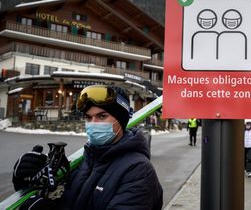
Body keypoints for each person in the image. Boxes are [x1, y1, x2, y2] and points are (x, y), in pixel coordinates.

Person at [12, 85, 163, 209]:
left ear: (120, 121)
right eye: (88, 117)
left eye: (102, 116)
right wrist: (27, 179)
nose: (93, 123)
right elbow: (60, 198)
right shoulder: (85, 161)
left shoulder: (139, 172)